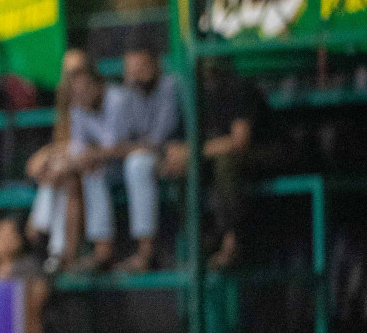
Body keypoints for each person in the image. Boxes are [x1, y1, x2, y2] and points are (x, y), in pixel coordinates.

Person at [76, 47, 181, 273]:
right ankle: (102, 252)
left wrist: (112, 151)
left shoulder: (170, 87)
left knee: (137, 164)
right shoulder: (129, 94)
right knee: (95, 168)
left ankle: (146, 253)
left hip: (170, 155)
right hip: (131, 155)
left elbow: (156, 141)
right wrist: (105, 154)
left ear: (155, 66)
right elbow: (121, 141)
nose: (135, 75)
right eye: (131, 70)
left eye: (141, 68)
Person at [159, 60, 264, 270]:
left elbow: (239, 142)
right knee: (181, 168)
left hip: (264, 153)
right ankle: (201, 244)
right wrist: (182, 154)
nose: (204, 63)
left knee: (225, 163)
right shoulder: (193, 94)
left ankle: (232, 242)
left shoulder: (239, 87)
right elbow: (173, 145)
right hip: (212, 162)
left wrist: (194, 152)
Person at [27, 49, 90, 270]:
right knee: (55, 174)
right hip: (69, 172)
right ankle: (56, 252)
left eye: (77, 72)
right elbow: (63, 144)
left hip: (95, 170)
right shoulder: (64, 107)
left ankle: (45, 233)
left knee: (60, 175)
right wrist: (46, 155)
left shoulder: (97, 99)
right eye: (67, 73)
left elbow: (88, 146)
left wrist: (50, 157)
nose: (72, 79)